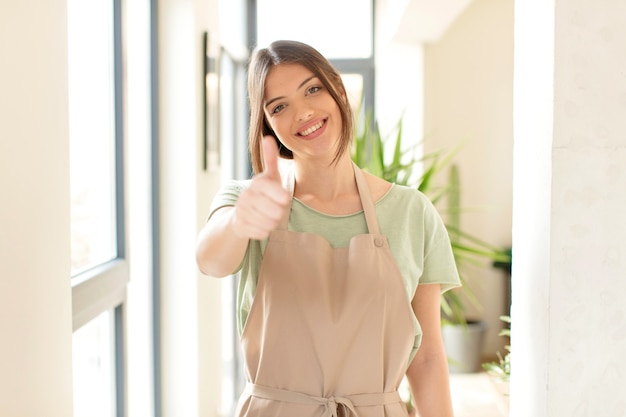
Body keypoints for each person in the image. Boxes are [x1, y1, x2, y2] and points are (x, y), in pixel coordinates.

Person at [196, 40, 461, 417]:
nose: (303, 112)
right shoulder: (248, 199)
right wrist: (240, 221)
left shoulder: (411, 212)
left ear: (338, 88)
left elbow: (428, 359)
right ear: (267, 124)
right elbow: (210, 260)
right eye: (280, 106)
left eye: (312, 89)